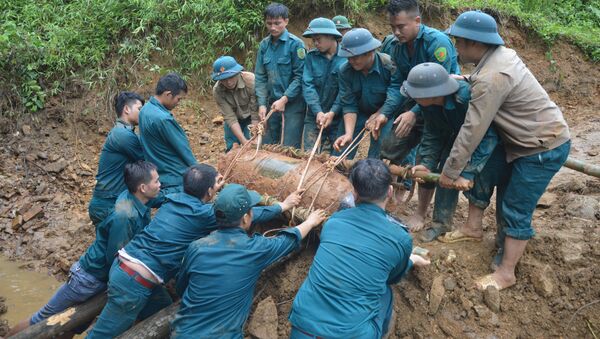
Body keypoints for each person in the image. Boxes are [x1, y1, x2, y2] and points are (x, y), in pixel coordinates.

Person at [87, 164, 304, 337]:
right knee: (103, 334)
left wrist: (213, 186)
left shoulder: (173, 200)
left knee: (163, 308)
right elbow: (247, 215)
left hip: (130, 269)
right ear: (210, 191)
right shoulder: (204, 215)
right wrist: (282, 206)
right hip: (134, 282)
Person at [440, 11, 570, 290]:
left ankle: (506, 273)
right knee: (488, 172)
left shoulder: (492, 75)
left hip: (541, 147)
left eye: (459, 42)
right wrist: (464, 79)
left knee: (515, 206)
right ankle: (473, 228)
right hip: (522, 139)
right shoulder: (499, 57)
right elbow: (484, 80)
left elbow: (472, 130)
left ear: (474, 43)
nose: (456, 48)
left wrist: (450, 171)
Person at [8, 161, 160, 337]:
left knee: (73, 324)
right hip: (87, 279)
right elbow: (115, 257)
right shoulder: (124, 216)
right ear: (142, 187)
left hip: (99, 277)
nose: (159, 184)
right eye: (156, 181)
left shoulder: (138, 200)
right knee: (42, 318)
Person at [289, 159, 430, 338]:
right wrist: (411, 260)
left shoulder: (333, 222)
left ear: (354, 193)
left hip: (303, 325)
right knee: (385, 291)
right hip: (351, 333)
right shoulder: (401, 238)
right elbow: (393, 277)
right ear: (390, 191)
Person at [171, 184, 326, 338]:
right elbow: (287, 240)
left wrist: (283, 205)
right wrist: (310, 222)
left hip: (182, 333)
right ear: (246, 218)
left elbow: (181, 287)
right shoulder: (254, 250)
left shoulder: (196, 248)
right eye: (251, 210)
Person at [378, 0, 461, 231]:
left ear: (417, 21)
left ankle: (422, 213)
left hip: (442, 110)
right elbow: (397, 84)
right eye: (393, 26)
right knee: (389, 147)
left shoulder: (438, 43)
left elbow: (437, 89)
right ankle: (390, 197)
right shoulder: (396, 46)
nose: (396, 32)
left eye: (401, 26)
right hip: (417, 105)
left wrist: (413, 114)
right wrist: (384, 114)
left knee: (426, 162)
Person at [400, 62, 504, 242]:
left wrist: (468, 172)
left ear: (431, 93)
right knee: (445, 173)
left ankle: (499, 237)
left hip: (493, 139)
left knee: (484, 181)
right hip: (458, 137)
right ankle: (441, 224)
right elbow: (433, 133)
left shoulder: (466, 98)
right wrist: (426, 164)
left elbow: (488, 135)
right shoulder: (427, 103)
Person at [333, 28, 396, 159]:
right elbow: (349, 104)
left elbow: (395, 96)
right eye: (348, 57)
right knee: (341, 151)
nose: (351, 61)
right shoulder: (345, 71)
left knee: (379, 150)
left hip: (387, 111)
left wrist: (380, 113)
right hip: (359, 112)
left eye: (355, 57)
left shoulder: (389, 66)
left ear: (370, 52)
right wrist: (349, 134)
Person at [88, 92, 145, 225]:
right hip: (108, 204)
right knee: (120, 244)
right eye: (139, 109)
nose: (142, 114)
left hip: (110, 201)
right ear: (126, 109)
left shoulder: (124, 132)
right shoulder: (122, 134)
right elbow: (147, 162)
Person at [255, 2, 306, 148]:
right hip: (272, 104)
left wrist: (284, 100)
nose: (273, 27)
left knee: (288, 148)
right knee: (268, 145)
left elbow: (300, 77)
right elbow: (260, 77)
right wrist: (262, 104)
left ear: (286, 21)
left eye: (277, 23)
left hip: (293, 105)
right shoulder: (264, 46)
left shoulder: (296, 45)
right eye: (269, 23)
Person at [139, 72, 196, 203]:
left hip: (159, 171)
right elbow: (183, 149)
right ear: (168, 94)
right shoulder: (163, 119)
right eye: (178, 99)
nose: (178, 103)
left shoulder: (145, 110)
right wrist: (200, 172)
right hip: (174, 176)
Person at [301, 18, 345, 153]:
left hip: (339, 116)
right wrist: (318, 111)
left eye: (318, 39)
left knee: (337, 158)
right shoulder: (311, 57)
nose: (315, 43)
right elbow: (307, 85)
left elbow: (346, 90)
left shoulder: (347, 58)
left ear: (331, 36)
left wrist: (333, 112)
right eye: (313, 40)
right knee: (309, 154)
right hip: (314, 115)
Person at [211, 56, 259, 152]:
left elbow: (255, 112)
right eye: (223, 79)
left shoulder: (251, 82)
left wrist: (254, 136)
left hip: (250, 117)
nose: (228, 82)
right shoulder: (217, 91)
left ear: (238, 72)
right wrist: (243, 141)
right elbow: (230, 117)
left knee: (253, 145)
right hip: (233, 120)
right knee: (232, 147)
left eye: (231, 77)